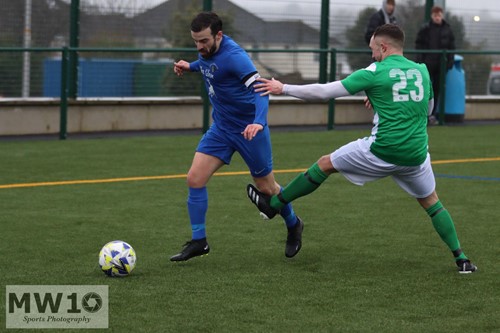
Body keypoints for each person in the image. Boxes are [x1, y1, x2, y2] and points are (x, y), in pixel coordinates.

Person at [247, 24, 477, 274]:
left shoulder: (374, 72)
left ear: (384, 47)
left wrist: (284, 88)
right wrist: (382, 99)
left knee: (325, 164)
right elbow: (428, 109)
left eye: (373, 49)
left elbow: (326, 92)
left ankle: (275, 204)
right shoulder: (422, 71)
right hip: (416, 154)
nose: (372, 55)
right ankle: (462, 259)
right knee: (432, 203)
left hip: (383, 150)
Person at [170, 12, 303, 261]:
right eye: (195, 42)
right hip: (221, 128)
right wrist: (190, 66)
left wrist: (257, 123)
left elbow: (261, 91)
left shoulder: (235, 57)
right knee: (195, 178)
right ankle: (199, 241)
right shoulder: (207, 50)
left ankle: (294, 224)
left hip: (249, 130)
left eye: (204, 41)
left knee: (268, 188)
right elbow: (209, 65)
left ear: (218, 35)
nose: (199, 46)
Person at [415, 6, 456, 124]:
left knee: (437, 90)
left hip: (441, 65)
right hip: (427, 65)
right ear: (432, 16)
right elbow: (419, 45)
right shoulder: (425, 29)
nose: (437, 17)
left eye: (439, 15)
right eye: (435, 15)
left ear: (442, 15)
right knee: (424, 89)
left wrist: (449, 63)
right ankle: (423, 114)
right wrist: (420, 61)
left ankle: (432, 115)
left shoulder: (448, 29)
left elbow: (452, 47)